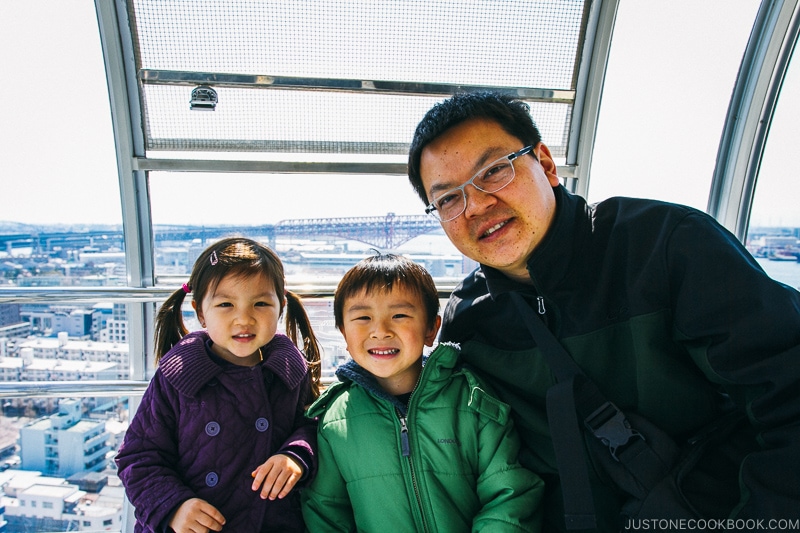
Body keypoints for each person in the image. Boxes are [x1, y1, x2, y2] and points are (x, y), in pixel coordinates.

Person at [407, 91, 800, 531]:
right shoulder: (470, 325)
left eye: (494, 171)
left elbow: (788, 398)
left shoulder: (667, 249)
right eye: (448, 199)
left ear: (546, 164)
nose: (476, 204)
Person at [300, 253, 544, 532]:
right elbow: (325, 512)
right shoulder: (335, 420)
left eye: (399, 315)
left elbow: (509, 494)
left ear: (431, 329)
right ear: (344, 333)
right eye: (363, 317)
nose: (380, 331)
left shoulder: (472, 399)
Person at [115, 237, 322, 533]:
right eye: (226, 304)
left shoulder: (289, 369)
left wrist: (296, 455)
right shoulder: (178, 374)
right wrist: (173, 507)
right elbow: (139, 456)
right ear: (201, 312)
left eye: (261, 303)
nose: (244, 318)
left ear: (281, 307)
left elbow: (314, 426)